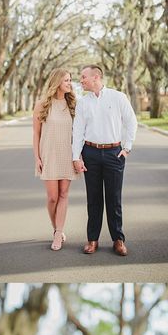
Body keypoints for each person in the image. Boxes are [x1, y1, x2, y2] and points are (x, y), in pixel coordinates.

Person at [72, 65, 137, 257]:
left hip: (113, 154)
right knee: (93, 200)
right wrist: (76, 157)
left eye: (83, 77)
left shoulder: (118, 97)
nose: (81, 80)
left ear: (96, 77)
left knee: (114, 199)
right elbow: (77, 131)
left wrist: (127, 148)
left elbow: (131, 121)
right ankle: (92, 240)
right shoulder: (83, 102)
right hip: (90, 153)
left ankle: (118, 240)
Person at [33, 68, 80, 251]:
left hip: (67, 155)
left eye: (70, 80)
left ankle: (58, 234)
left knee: (63, 195)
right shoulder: (42, 104)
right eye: (66, 80)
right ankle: (56, 229)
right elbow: (36, 134)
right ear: (57, 82)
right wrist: (36, 157)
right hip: (48, 155)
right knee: (52, 197)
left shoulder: (73, 105)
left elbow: (78, 134)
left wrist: (78, 155)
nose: (70, 83)